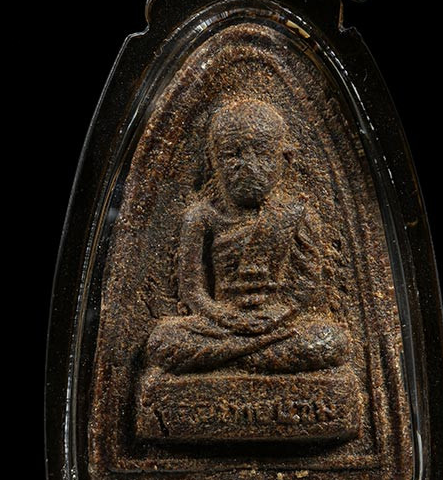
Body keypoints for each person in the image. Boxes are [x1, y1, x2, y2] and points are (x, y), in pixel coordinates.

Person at [147, 96, 349, 374]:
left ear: (285, 158)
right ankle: (253, 354)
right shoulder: (202, 217)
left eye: (262, 154)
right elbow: (192, 289)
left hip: (277, 324)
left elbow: (304, 286)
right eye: (233, 155)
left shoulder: (298, 216)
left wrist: (276, 316)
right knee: (162, 340)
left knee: (331, 340)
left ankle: (231, 356)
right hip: (221, 324)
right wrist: (226, 317)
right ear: (213, 160)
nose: (247, 166)